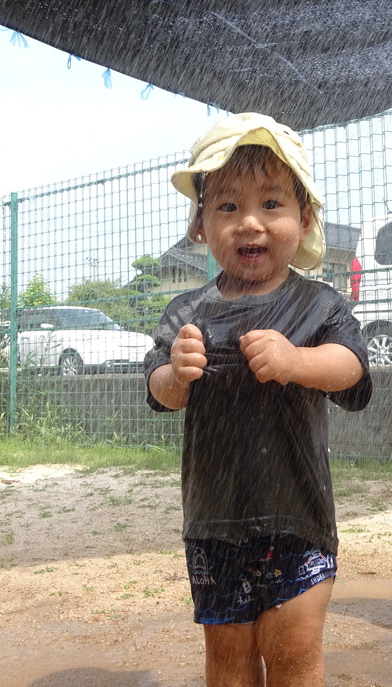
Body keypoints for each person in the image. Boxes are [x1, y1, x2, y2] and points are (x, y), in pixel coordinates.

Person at [144, 112, 373, 686]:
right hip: (214, 523)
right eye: (227, 207)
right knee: (229, 664)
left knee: (293, 655)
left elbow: (352, 371)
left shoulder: (318, 306)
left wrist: (297, 361)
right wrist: (175, 375)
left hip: (297, 517)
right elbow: (159, 391)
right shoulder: (186, 315)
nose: (250, 222)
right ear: (200, 225)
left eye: (271, 203)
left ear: (304, 217)